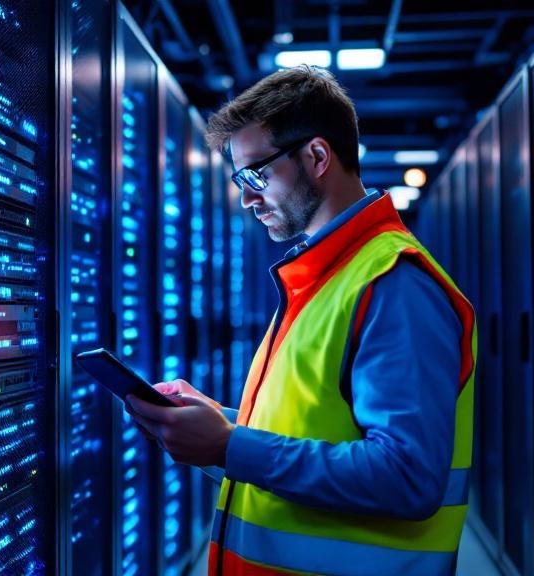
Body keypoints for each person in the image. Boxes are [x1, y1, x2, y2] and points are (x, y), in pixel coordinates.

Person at [126, 65, 476, 575]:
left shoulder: (393, 283)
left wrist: (229, 445)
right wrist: (220, 424)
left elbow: (408, 477)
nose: (246, 197)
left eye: (255, 174)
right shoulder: (324, 277)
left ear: (316, 157)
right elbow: (315, 427)